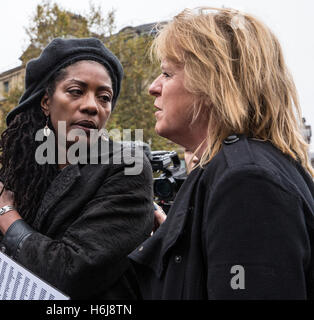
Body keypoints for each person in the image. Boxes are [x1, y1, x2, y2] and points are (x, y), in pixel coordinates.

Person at [129, 7, 314, 299]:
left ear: (213, 83)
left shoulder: (247, 182)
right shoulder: (231, 172)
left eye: (167, 73)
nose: (154, 87)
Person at [0, 38, 153, 300]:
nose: (93, 106)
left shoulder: (127, 167)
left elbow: (73, 271)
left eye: (104, 97)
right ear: (46, 101)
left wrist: (7, 217)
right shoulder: (26, 169)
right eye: (76, 91)